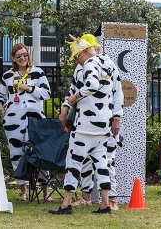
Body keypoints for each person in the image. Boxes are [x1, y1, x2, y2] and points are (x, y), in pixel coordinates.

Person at [50, 37, 113, 215]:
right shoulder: (107, 64)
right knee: (102, 164)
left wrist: (75, 97)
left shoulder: (90, 63)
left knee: (73, 162)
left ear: (84, 53)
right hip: (103, 125)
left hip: (86, 125)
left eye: (76, 57)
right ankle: (105, 204)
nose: (76, 61)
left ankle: (66, 204)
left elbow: (91, 85)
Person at [0, 43, 52, 202]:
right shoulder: (8, 75)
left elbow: (46, 93)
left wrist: (29, 88)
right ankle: (23, 191)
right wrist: (0, 105)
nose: (23, 58)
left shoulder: (38, 72)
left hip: (35, 119)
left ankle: (45, 191)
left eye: (25, 55)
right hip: (14, 120)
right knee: (17, 154)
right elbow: (0, 94)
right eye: (19, 56)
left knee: (40, 154)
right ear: (13, 58)